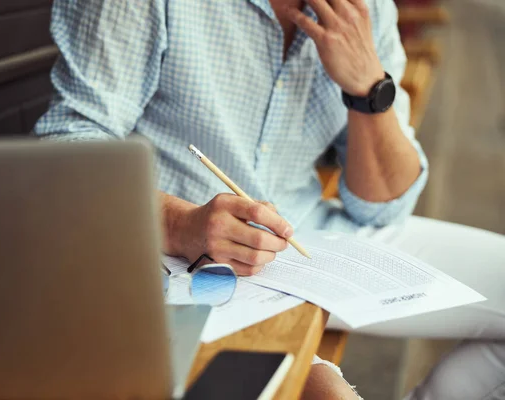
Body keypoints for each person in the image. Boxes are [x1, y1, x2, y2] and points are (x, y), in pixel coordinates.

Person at [34, 0, 505, 398]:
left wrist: (368, 87)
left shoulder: (369, 7)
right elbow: (65, 147)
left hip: (312, 232)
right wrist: (180, 224)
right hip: (180, 257)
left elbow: (383, 204)